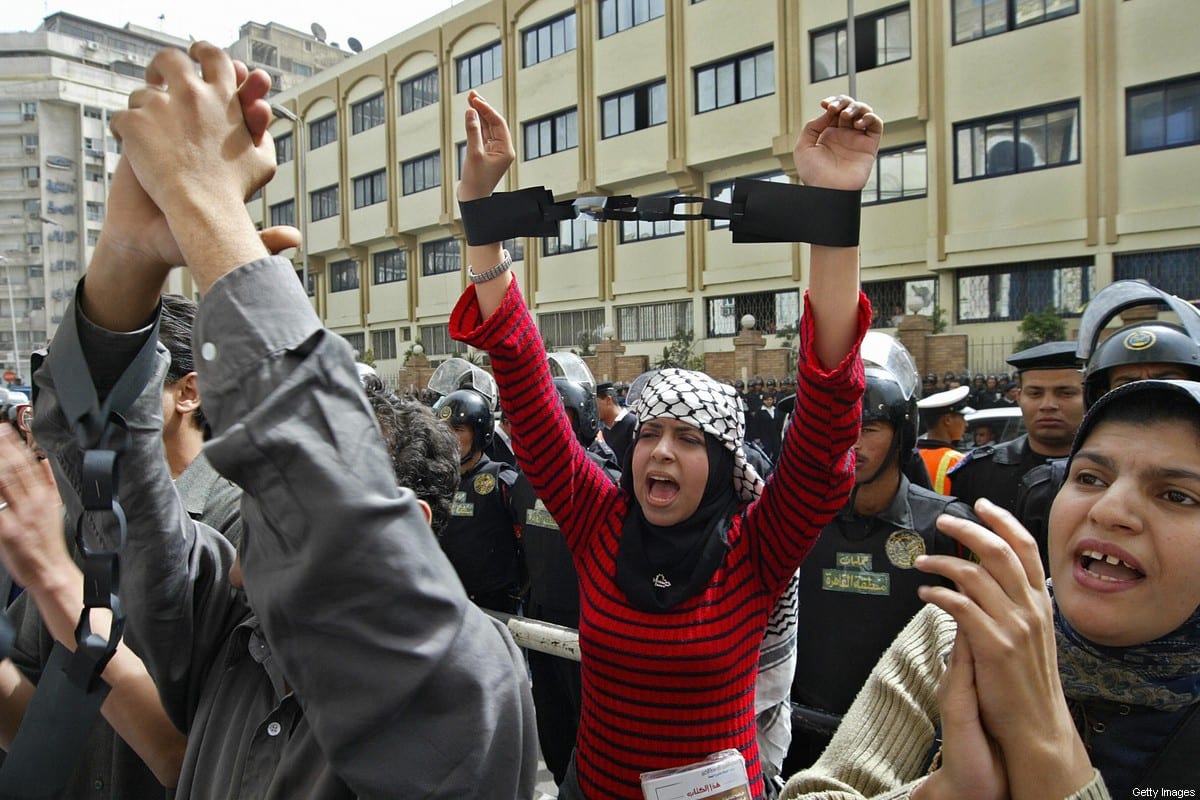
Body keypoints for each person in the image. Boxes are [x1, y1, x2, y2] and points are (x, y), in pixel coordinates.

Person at [23, 42, 536, 798]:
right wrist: (132, 253)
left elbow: (332, 518)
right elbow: (104, 473)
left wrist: (209, 209)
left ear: (418, 524)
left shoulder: (471, 681)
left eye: (274, 507)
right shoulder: (233, 629)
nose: (249, 521)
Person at [449, 88, 881, 800]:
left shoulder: (758, 546)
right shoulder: (596, 521)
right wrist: (482, 215)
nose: (659, 452)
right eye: (648, 432)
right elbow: (526, 391)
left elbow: (828, 415)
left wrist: (833, 208)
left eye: (688, 438)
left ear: (721, 467)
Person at [781, 378, 1200, 799]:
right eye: (1090, 478)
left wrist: (1046, 747)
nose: (1109, 510)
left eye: (1177, 496)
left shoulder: (945, 521)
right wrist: (937, 792)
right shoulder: (952, 632)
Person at [1, 291, 242, 798]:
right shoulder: (80, 523)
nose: (79, 410)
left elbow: (202, 756)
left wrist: (55, 580)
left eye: (109, 385)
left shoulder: (246, 528)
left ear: (188, 392)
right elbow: (29, 720)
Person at [785, 335, 977, 774]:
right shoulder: (795, 520)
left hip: (905, 753)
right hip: (800, 742)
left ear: (902, 432)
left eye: (868, 429)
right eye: (841, 429)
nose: (852, 443)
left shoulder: (948, 528)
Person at [949, 340, 1084, 559]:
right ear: (1019, 397)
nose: (1048, 404)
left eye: (1065, 393)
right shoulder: (979, 472)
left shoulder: (1114, 475)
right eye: (1035, 393)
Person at [436, 388, 535, 614]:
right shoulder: (436, 481)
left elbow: (530, 545)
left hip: (496, 607)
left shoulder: (502, 480)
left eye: (458, 429)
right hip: (449, 602)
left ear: (480, 433)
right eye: (444, 429)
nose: (448, 437)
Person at [914, 386, 971, 495]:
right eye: (962, 418)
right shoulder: (958, 461)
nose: (966, 424)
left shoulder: (910, 456)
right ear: (947, 420)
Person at [596, 380, 636, 467]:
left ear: (608, 400)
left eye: (595, 404)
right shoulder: (600, 429)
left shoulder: (632, 423)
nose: (593, 410)